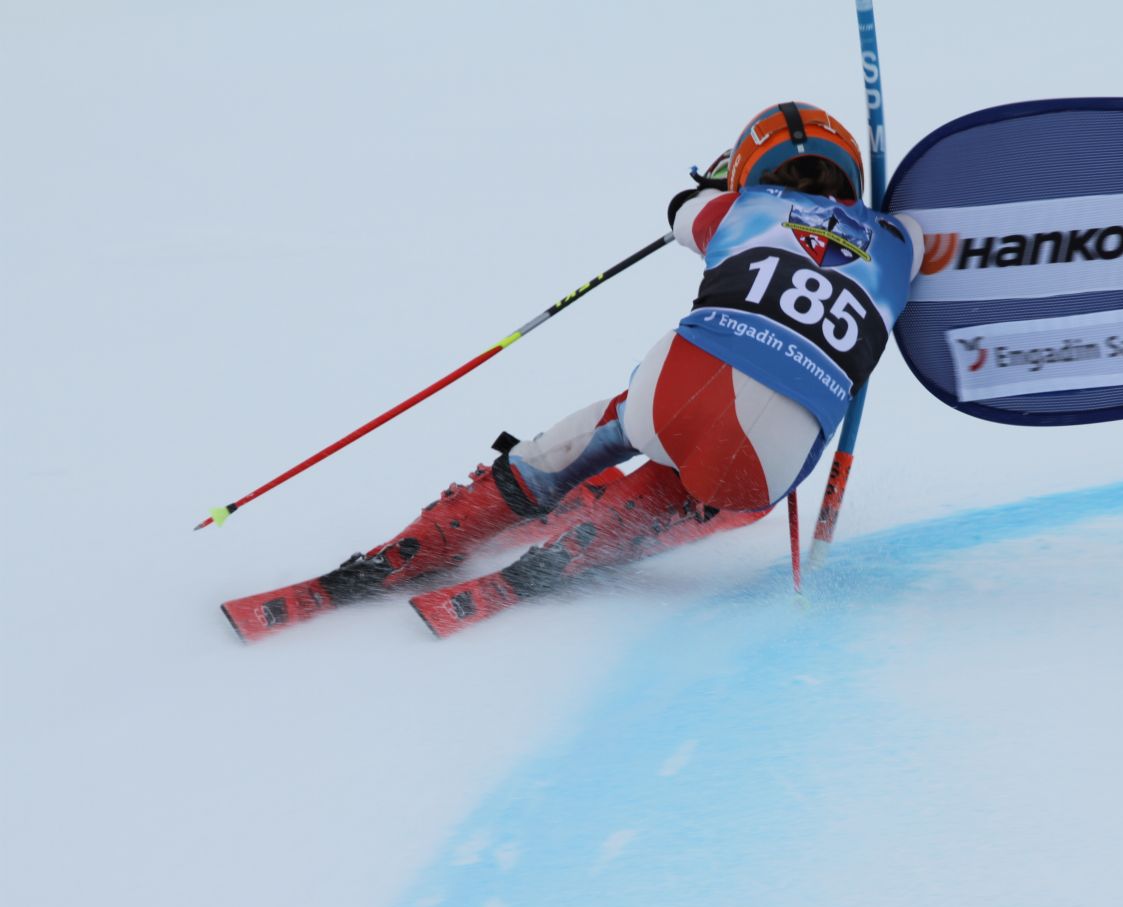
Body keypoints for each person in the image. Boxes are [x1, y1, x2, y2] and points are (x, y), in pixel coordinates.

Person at [223, 102, 924, 639]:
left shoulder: (741, 206)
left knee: (615, 426)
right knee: (703, 478)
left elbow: (681, 212)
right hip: (769, 471)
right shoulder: (900, 244)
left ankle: (430, 541)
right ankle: (593, 541)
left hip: (673, 396)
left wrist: (718, 183)